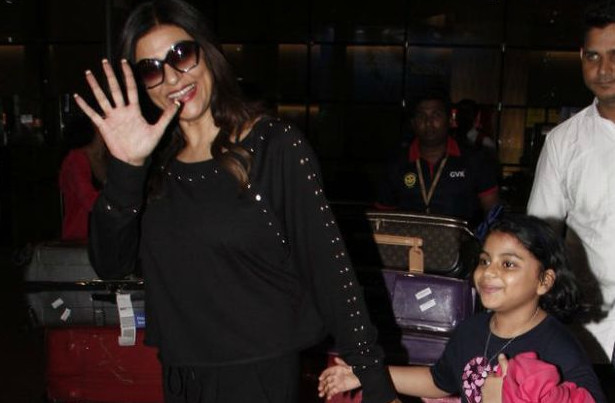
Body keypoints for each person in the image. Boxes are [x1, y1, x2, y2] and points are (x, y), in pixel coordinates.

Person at [73, 0, 397, 402]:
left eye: (181, 55)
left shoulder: (273, 146)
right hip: (181, 375)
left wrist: (374, 377)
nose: (172, 77)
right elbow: (110, 263)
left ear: (207, 52)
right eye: (152, 69)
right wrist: (127, 167)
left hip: (256, 377)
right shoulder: (153, 166)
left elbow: (328, 268)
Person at [318, 215, 606, 402]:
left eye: (508, 264)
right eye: (484, 260)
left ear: (544, 281)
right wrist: (366, 373)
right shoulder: (472, 329)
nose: (488, 272)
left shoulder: (558, 346)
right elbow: (439, 380)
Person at [527, 0, 615, 366]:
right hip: (592, 330)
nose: (604, 69)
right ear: (581, 57)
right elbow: (540, 237)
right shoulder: (563, 142)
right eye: (593, 56)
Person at [375, 93, 500, 228]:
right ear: (413, 123)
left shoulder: (475, 159)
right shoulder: (396, 163)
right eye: (421, 116)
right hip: (409, 240)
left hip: (462, 240)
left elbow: (493, 212)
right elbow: (382, 216)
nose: (428, 122)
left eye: (436, 115)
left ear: (450, 120)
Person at [58, 113, 107, 240]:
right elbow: (89, 200)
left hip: (100, 234)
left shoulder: (104, 159)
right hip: (81, 235)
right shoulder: (76, 159)